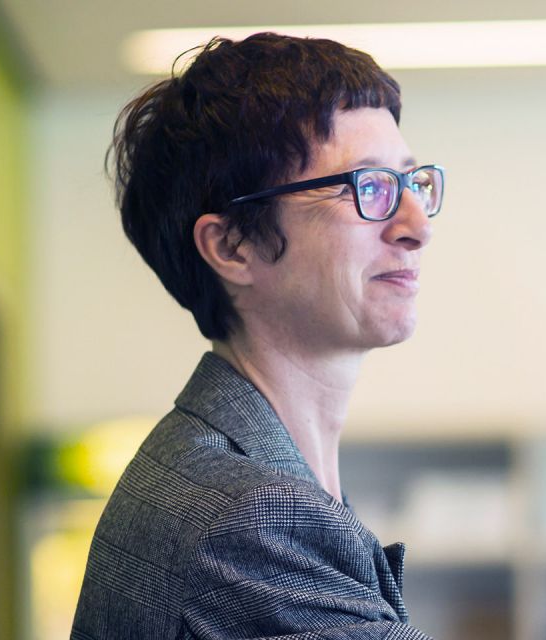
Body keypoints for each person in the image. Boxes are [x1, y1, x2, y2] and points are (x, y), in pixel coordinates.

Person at [70, 33, 441, 639]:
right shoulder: (249, 521)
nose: (416, 225)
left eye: (411, 183)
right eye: (368, 188)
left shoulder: (247, 478)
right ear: (232, 246)